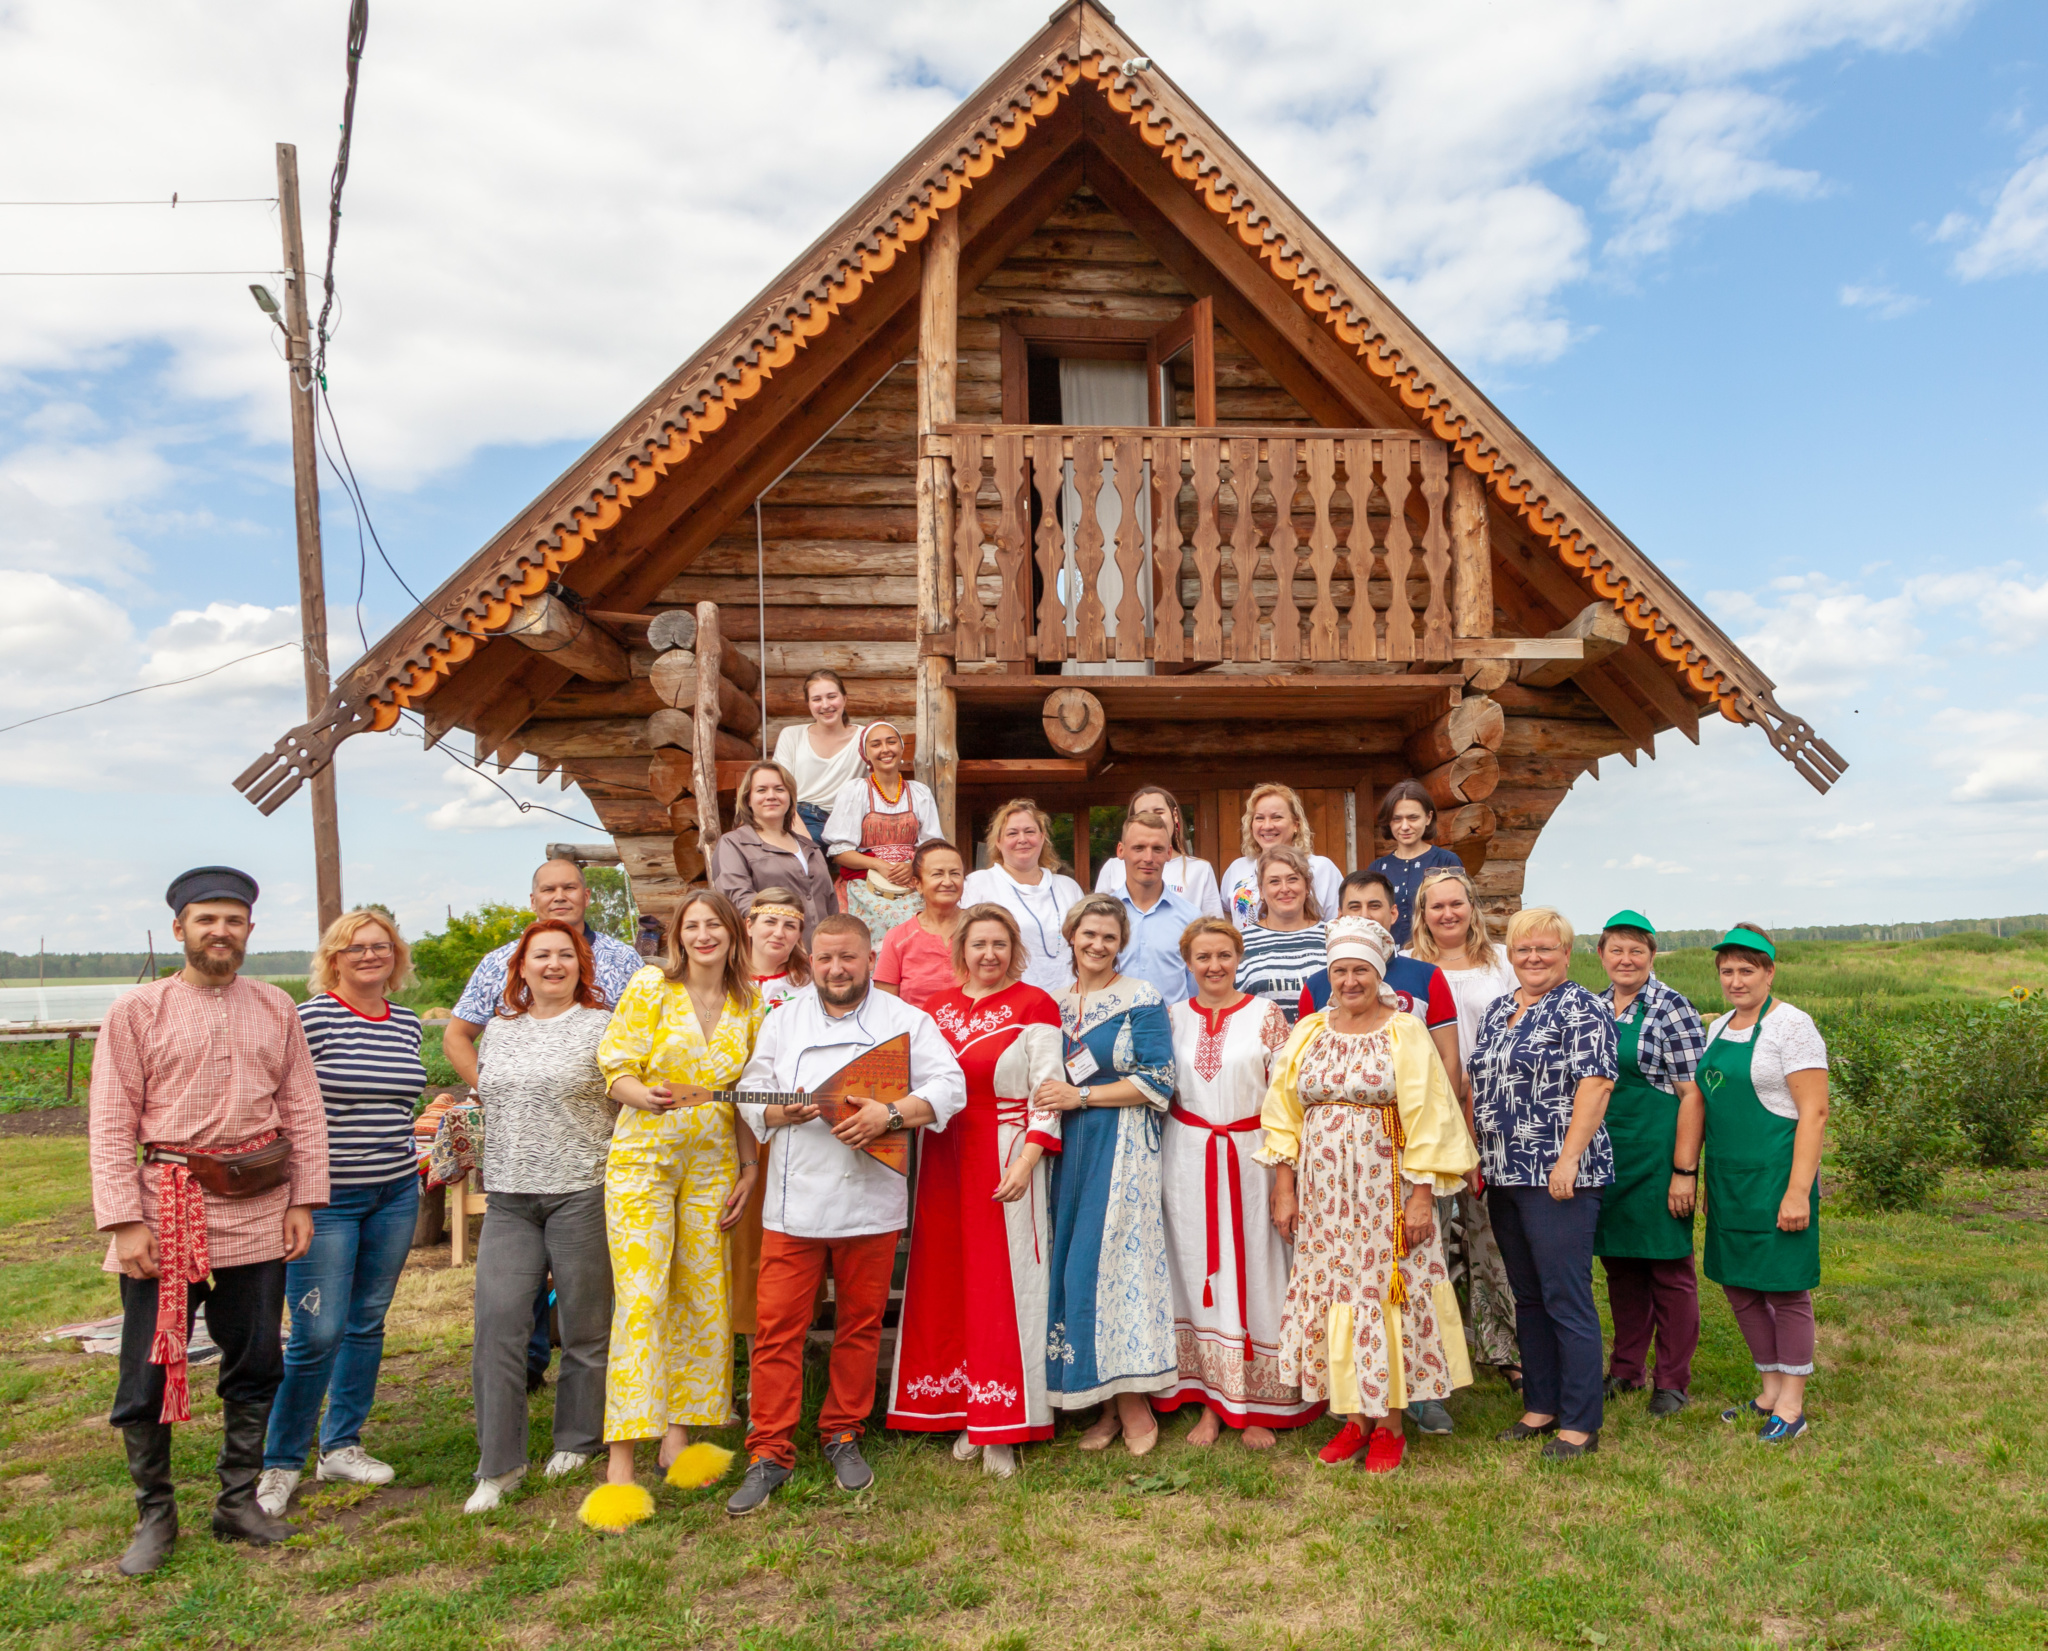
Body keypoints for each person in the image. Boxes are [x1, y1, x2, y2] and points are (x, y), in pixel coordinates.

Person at [90, 866, 328, 1575]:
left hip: (258, 1207)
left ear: (249, 930)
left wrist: (302, 1200)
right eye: (206, 920)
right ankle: (155, 1514)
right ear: (179, 930)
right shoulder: (137, 1010)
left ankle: (236, 1500)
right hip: (167, 1210)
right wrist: (124, 1221)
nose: (220, 932)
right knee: (150, 1364)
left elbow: (304, 1111)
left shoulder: (277, 1006)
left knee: (257, 1356)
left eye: (233, 920)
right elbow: (109, 1121)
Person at [729, 915, 967, 1515]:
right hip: (792, 1204)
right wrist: (773, 1116)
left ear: (870, 958)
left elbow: (950, 1085)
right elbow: (752, 1090)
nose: (837, 970)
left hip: (869, 1201)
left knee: (859, 1327)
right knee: (778, 1330)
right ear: (810, 959)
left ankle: (843, 1432)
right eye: (826, 959)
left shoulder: (905, 1021)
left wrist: (890, 1115)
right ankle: (768, 1451)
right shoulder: (783, 1021)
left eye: (850, 959)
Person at [1257, 916, 1476, 1473]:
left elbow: (1428, 1113)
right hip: (1326, 1191)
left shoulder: (1404, 1031)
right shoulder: (1307, 1031)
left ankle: (1391, 1424)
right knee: (1336, 1290)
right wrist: (1286, 1186)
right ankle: (1353, 1417)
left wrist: (1421, 1194)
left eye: (1360, 971)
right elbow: (1283, 1113)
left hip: (1387, 1188)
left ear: (1378, 975)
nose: (1349, 981)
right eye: (1340, 971)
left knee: (1386, 1291)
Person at [581, 889, 764, 1525]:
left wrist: (749, 1166)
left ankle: (680, 1440)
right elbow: (614, 1069)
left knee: (702, 1295)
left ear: (732, 934)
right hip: (645, 1162)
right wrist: (646, 1097)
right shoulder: (648, 988)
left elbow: (744, 1095)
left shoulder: (749, 1003)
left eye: (715, 924)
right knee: (642, 1298)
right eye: (693, 925)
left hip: (713, 1165)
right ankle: (620, 1466)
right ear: (678, 936)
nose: (704, 934)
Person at [441, 859, 642, 1397]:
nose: (559, 896)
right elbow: (459, 1036)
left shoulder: (622, 960)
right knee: (515, 1283)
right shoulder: (501, 962)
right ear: (533, 900)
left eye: (570, 887)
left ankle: (590, 1394)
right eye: (548, 889)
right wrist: (494, 1089)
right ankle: (526, 1365)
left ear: (586, 896)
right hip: (520, 1152)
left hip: (589, 1143)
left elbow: (636, 1044)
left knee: (587, 1286)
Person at [257, 909, 426, 1519]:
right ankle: (280, 1461)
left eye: (381, 946)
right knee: (316, 1331)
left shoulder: (405, 1023)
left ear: (396, 956)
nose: (369, 956)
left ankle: (341, 1444)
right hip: (326, 1200)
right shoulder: (310, 1020)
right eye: (355, 948)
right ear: (333, 957)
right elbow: (282, 1102)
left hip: (394, 1191)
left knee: (366, 1322)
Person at [888, 905, 1065, 1476]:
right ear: (960, 949)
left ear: (1013, 948)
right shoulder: (934, 1010)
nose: (988, 954)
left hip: (1006, 1152)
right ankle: (964, 1408)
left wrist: (1031, 1157)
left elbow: (1049, 1088)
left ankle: (1004, 1422)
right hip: (943, 1154)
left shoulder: (1035, 1004)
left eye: (999, 944)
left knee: (1003, 1285)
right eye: (978, 944)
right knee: (947, 1280)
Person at [464, 921, 618, 1514]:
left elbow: (621, 1099)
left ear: (582, 965)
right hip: (508, 1198)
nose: (552, 964)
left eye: (565, 955)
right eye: (540, 956)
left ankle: (578, 1437)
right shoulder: (500, 1031)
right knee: (497, 1327)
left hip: (582, 1191)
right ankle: (498, 1466)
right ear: (520, 968)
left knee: (584, 1327)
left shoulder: (602, 1027)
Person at [1157, 918, 1317, 1448]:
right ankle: (1210, 1400)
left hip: (1252, 1158)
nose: (1214, 966)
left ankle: (1256, 1403)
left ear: (1238, 957)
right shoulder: (1173, 1017)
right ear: (1188, 962)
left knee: (1259, 1266)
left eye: (1224, 955)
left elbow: (1286, 1098)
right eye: (1202, 957)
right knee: (1198, 1270)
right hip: (1187, 1159)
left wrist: (1283, 1179)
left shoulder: (1266, 1015)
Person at [1469, 907, 1617, 1460]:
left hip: (1558, 1174)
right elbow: (1477, 1085)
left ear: (1565, 954)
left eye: (1545, 949)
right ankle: (1541, 1405)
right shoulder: (1499, 1010)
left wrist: (1568, 1159)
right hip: (1505, 1172)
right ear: (1510, 954)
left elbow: (1596, 1085)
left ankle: (1580, 1422)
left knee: (1565, 1294)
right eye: (1523, 949)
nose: (1533, 958)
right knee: (1528, 1295)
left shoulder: (1582, 1008)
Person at [1034, 895, 1178, 1453]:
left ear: (1122, 945)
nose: (1097, 945)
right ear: (1071, 935)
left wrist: (1082, 1095)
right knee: (1071, 1265)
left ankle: (1134, 1401)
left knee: (1112, 1262)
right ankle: (1099, 1401)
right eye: (1088, 934)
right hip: (1062, 1147)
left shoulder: (1140, 998)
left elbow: (1158, 1080)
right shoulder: (1053, 1003)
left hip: (1119, 1145)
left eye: (1109, 938)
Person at [1700, 924, 1829, 1444]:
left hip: (1778, 1178)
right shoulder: (1718, 1028)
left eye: (1746, 970)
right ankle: (1768, 1391)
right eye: (1727, 971)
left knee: (1785, 1288)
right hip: (1729, 1179)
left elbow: (1814, 1113)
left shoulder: (1792, 1027)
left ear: (1769, 971)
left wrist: (1798, 1191)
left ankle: (1793, 1406)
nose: (1735, 980)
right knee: (1739, 1286)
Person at [1408, 865, 1522, 1385]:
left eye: (1457, 903)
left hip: (1491, 1105)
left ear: (1472, 908)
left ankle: (1503, 1344)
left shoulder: (1499, 962)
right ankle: (1432, 1346)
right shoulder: (1407, 966)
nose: (1448, 913)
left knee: (1490, 1228)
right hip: (1427, 1109)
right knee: (1429, 1228)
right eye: (1437, 906)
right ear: (1422, 914)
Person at [1593, 911, 1707, 1417]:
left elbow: (1692, 1095)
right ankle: (1625, 1369)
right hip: (1609, 1153)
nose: (1626, 959)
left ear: (1652, 956)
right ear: (1601, 955)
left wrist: (1684, 1171)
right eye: (1616, 949)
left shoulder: (1671, 1009)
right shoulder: (1595, 1008)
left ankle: (1673, 1380)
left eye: (1637, 950)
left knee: (1667, 1268)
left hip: (1658, 1153)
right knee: (1620, 1265)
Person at [729, 889, 814, 1350]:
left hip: (780, 1118)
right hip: (724, 1118)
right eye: (769, 922)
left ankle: (779, 1349)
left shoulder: (807, 986)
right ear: (749, 925)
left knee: (771, 1237)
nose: (778, 933)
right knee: (735, 1236)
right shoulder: (724, 980)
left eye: (790, 925)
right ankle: (729, 1353)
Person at [824, 720, 943, 946]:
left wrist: (913, 867)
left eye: (891, 742)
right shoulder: (855, 791)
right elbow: (839, 851)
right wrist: (879, 865)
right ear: (866, 754)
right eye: (876, 744)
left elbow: (933, 846)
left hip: (913, 877)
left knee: (922, 933)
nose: (885, 749)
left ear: (901, 748)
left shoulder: (920, 793)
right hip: (866, 881)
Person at [960, 799, 1086, 994]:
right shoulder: (978, 883)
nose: (1022, 839)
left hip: (1069, 999)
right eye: (1012, 833)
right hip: (1008, 1000)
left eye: (1030, 831)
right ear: (998, 842)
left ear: (1042, 837)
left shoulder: (1068, 887)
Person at [709, 760, 837, 939]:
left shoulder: (810, 847)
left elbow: (830, 904)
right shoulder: (734, 844)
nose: (771, 796)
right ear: (748, 799)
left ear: (790, 797)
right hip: (769, 952)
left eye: (779, 789)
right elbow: (739, 900)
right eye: (761, 790)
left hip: (819, 955)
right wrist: (780, 930)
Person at [1107, 807, 1199, 1004]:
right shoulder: (1103, 915)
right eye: (1139, 848)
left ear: (1168, 853)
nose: (1148, 858)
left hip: (1172, 1032)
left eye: (1157, 849)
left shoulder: (1191, 919)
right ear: (1121, 850)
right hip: (1113, 1030)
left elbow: (1197, 991)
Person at [1220, 783, 1342, 931]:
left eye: (1276, 817)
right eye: (1259, 818)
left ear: (1296, 824)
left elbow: (1337, 922)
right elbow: (1225, 914)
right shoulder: (1237, 868)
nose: (1267, 826)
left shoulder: (1322, 868)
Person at [1093, 785, 1224, 918]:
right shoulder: (1113, 867)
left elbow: (1213, 927)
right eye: (1143, 814)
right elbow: (1097, 918)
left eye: (1159, 812)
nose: (1152, 819)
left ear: (1174, 816)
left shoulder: (1200, 869)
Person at [1367, 780, 1467, 947]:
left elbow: (1463, 912)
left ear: (1428, 818)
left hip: (1437, 954)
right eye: (1397, 819)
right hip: (1391, 960)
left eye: (1413, 817)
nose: (1405, 826)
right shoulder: (1377, 868)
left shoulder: (1446, 861)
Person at [1234, 845, 1327, 1025]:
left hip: (1323, 1050)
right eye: (1274, 882)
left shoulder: (1332, 937)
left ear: (1307, 886)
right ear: (1261, 891)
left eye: (1292, 879)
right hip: (1262, 1050)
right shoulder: (1239, 943)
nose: (1284, 888)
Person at [771, 668, 867, 843]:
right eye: (816, 699)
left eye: (831, 696)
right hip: (796, 815)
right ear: (808, 703)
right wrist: (799, 831)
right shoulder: (791, 735)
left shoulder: (865, 737)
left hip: (843, 820)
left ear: (844, 699)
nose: (825, 705)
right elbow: (779, 786)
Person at [877, 840, 971, 1010]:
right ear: (918, 884)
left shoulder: (979, 929)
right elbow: (884, 1007)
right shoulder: (898, 938)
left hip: (977, 1031)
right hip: (917, 1033)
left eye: (955, 873)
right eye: (937, 874)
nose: (948, 881)